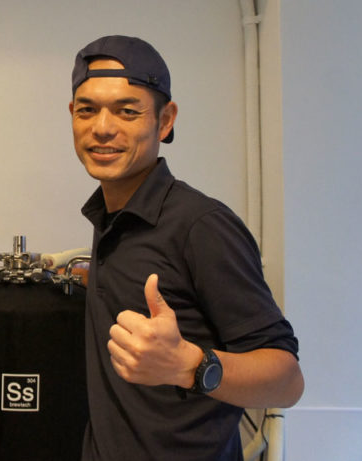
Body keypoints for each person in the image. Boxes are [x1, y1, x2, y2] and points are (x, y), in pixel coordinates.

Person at [68, 35, 304, 460]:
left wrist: (190, 365)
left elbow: (287, 381)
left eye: (127, 111)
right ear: (72, 115)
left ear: (165, 120)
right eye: (87, 109)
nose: (102, 127)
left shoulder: (201, 226)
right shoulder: (110, 217)